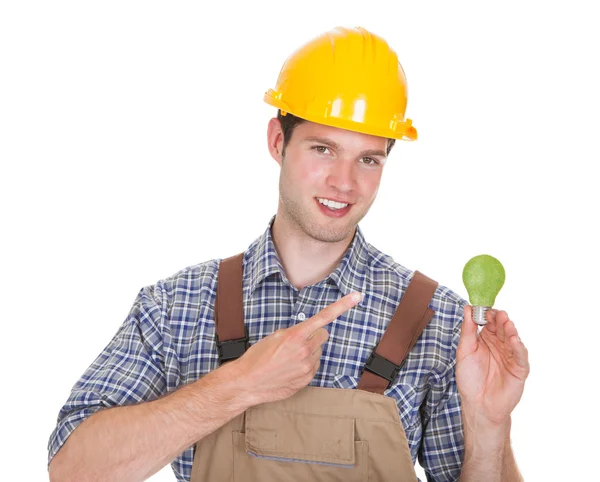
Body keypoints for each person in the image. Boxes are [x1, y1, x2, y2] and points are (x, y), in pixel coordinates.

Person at [47, 26, 529, 482]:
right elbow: (73, 468)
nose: (345, 182)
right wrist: (237, 385)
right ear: (279, 141)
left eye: (368, 159)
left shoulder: (438, 321)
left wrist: (489, 425)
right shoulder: (178, 306)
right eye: (323, 149)